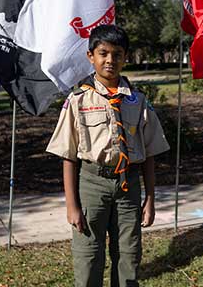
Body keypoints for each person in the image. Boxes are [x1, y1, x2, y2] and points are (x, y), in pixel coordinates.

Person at [47, 24, 170, 287]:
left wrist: (150, 198)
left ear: (125, 57)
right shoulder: (78, 100)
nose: (110, 60)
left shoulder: (138, 101)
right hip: (92, 184)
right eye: (103, 53)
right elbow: (68, 156)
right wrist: (72, 205)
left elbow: (149, 153)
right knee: (89, 256)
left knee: (128, 255)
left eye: (117, 54)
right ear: (90, 56)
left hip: (129, 185)